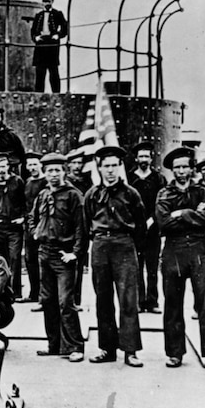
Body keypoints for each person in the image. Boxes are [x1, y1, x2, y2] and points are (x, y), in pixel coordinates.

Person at [156, 147, 205, 372]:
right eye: (177, 167)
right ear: (172, 170)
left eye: (185, 166)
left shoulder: (203, 192)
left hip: (199, 252)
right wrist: (192, 215)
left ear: (191, 168)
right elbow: (164, 223)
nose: (181, 171)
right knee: (173, 305)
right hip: (174, 252)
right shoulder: (164, 194)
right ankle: (175, 353)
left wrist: (182, 214)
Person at [84, 146, 146, 367]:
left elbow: (140, 224)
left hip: (124, 246)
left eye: (114, 165)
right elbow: (87, 222)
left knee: (128, 299)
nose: (110, 170)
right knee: (103, 299)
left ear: (120, 167)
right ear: (99, 168)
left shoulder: (131, 193)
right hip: (100, 246)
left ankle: (130, 350)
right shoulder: (92, 194)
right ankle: (107, 348)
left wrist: (130, 247)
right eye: (106, 166)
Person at [30, 153, 87, 362]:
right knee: (48, 301)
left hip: (64, 256)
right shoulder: (43, 195)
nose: (53, 175)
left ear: (64, 171)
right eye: (49, 171)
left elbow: (82, 227)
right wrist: (35, 232)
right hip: (44, 252)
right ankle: (53, 345)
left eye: (57, 170)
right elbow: (32, 217)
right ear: (44, 173)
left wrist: (75, 253)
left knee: (66, 302)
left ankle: (75, 346)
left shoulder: (73, 195)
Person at [128, 141, 166, 313]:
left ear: (151, 159)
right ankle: (139, 300)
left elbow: (162, 202)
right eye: (141, 156)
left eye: (147, 156)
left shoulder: (159, 179)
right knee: (136, 267)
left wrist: (153, 220)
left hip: (153, 229)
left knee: (151, 267)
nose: (144, 159)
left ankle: (152, 301)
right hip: (134, 229)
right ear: (136, 158)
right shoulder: (129, 178)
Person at [0, 152, 27, 300]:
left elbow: (24, 201)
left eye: (4, 166)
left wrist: (23, 217)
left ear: (8, 166)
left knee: (15, 259)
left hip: (14, 227)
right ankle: (1, 290)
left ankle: (16, 292)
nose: (1, 169)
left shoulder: (17, 181)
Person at [65, 147, 92, 308]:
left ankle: (76, 299)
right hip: (67, 229)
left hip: (82, 228)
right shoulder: (66, 183)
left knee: (79, 265)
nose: (77, 166)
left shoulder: (87, 182)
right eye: (73, 163)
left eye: (79, 163)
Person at [30, 0, 68, 93]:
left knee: (53, 71)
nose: (47, 4)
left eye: (49, 1)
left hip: (52, 45)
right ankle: (39, 93)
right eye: (45, 2)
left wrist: (58, 35)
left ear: (52, 2)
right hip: (41, 45)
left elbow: (65, 27)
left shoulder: (57, 14)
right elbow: (33, 30)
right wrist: (36, 38)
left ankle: (56, 93)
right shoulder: (39, 15)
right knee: (40, 72)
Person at [23, 151, 47, 307]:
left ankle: (44, 297)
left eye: (34, 164)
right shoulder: (27, 182)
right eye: (29, 164)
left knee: (43, 262)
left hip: (43, 226)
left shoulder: (45, 182)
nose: (32, 167)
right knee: (30, 260)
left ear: (41, 165)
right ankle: (34, 293)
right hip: (29, 226)